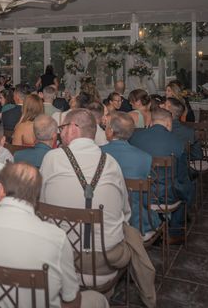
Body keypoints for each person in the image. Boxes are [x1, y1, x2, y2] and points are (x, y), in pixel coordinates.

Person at [41, 108, 156, 308]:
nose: (60, 132)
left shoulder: (51, 158)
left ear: (73, 129)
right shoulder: (111, 163)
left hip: (60, 259)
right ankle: (144, 293)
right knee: (130, 231)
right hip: (105, 262)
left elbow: (41, 204)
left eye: (62, 128)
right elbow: (125, 212)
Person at [0, 162, 109, 308]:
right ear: (37, 196)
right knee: (97, 299)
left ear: (0, 189)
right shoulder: (56, 238)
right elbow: (71, 299)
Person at [130, 108, 195, 244]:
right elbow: (182, 176)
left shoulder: (135, 137)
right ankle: (175, 232)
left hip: (139, 193)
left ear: (152, 122)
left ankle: (156, 223)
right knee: (186, 186)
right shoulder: (177, 143)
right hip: (166, 195)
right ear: (168, 123)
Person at [102, 112, 161, 236]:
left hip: (103, 217)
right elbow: (146, 198)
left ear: (111, 131)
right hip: (135, 220)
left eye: (106, 127)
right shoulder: (145, 158)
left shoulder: (97, 152)